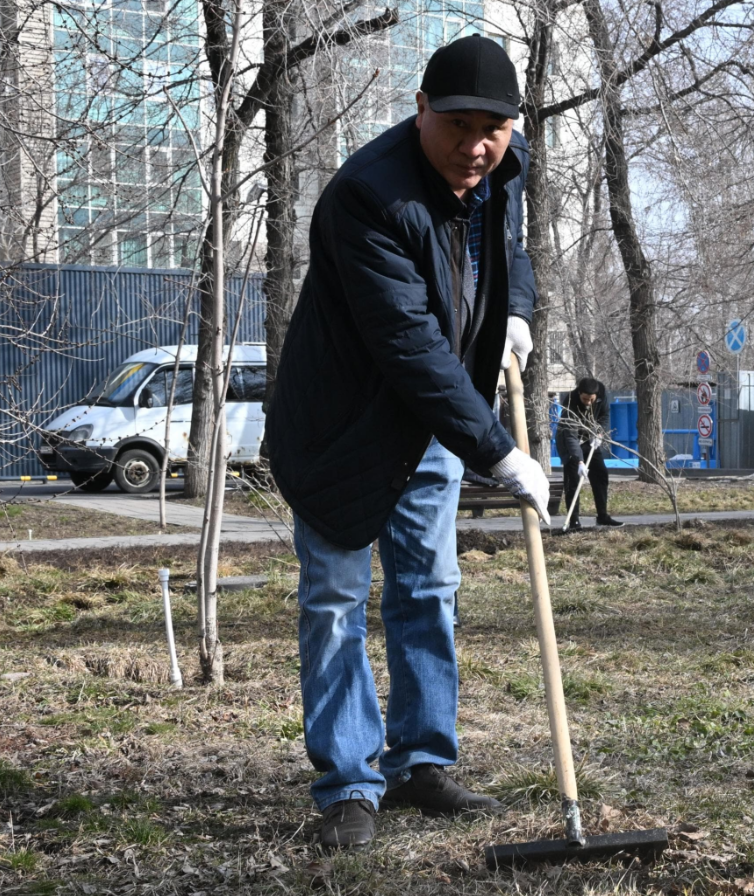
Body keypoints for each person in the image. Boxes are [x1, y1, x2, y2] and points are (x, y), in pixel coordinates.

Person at [264, 35, 556, 850]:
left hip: (429, 420)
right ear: (420, 109)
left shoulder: (504, 164)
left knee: (428, 585)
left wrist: (518, 316)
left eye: (491, 130)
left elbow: (511, 250)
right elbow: (409, 345)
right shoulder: (367, 197)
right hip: (343, 428)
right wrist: (498, 451)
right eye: (456, 126)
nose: (474, 147)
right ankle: (349, 785)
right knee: (334, 603)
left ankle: (420, 762)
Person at [554, 377, 623, 530]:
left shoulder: (601, 395)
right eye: (585, 399)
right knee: (573, 481)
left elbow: (604, 416)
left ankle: (602, 516)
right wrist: (579, 462)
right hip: (570, 442)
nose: (588, 403)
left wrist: (599, 434)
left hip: (590, 440)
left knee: (600, 474)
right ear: (579, 394)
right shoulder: (570, 403)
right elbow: (571, 436)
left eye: (591, 399)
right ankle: (574, 521)